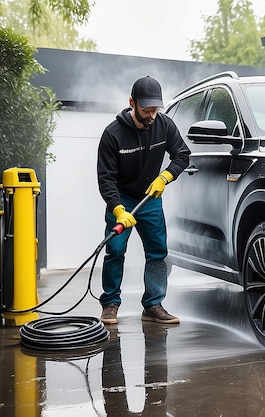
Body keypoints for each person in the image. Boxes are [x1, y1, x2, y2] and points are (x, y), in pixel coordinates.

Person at [97, 75, 190, 325]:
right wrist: (117, 210)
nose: (151, 115)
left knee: (158, 252)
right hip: (121, 199)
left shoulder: (164, 125)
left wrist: (166, 177)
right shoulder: (112, 134)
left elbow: (182, 155)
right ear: (132, 103)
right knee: (115, 251)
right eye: (146, 110)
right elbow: (105, 179)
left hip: (150, 197)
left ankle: (153, 305)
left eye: (155, 109)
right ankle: (110, 304)